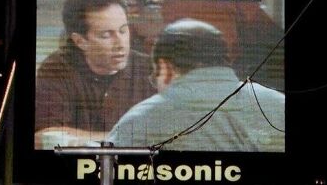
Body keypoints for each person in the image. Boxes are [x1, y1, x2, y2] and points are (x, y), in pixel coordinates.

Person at [109, 18, 285, 151]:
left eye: (156, 77)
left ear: (165, 67)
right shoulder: (280, 104)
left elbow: (106, 179)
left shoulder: (140, 120)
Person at [35, 0, 153, 148]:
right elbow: (44, 137)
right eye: (106, 35)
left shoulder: (150, 69)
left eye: (123, 30)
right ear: (80, 42)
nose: (120, 44)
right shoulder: (57, 68)